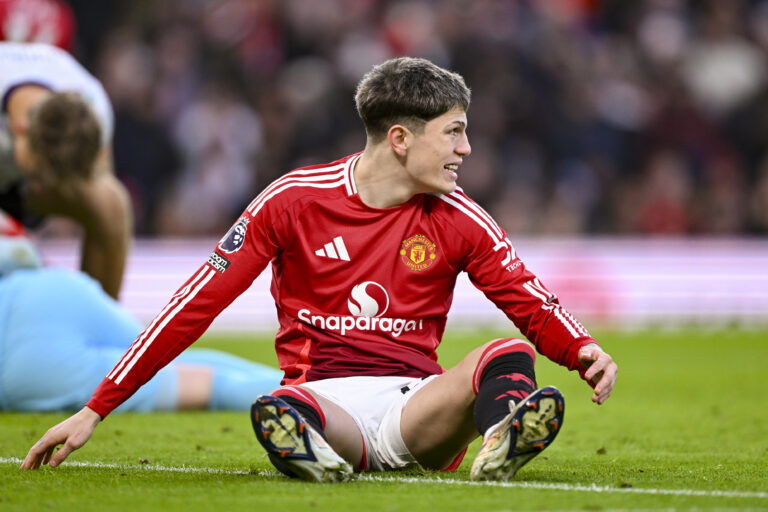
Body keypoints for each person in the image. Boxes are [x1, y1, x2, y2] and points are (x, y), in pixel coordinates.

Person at [21, 57, 617, 481]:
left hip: (418, 409)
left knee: (508, 354)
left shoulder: (460, 217)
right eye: (455, 133)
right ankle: (309, 450)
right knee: (278, 407)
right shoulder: (292, 201)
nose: (466, 149)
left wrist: (582, 349)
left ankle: (498, 441)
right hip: (325, 404)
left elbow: (526, 296)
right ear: (402, 138)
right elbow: (193, 306)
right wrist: (96, 406)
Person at [0, 211, 282, 412]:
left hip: (23, 362)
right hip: (47, 288)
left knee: (208, 387)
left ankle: (309, 402)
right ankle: (312, 387)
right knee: (158, 357)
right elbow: (19, 249)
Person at [0, 41, 132, 299]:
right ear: (20, 130)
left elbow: (100, 178)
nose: (41, 186)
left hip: (17, 186)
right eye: (40, 175)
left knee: (110, 204)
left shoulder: (94, 108)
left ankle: (95, 322)